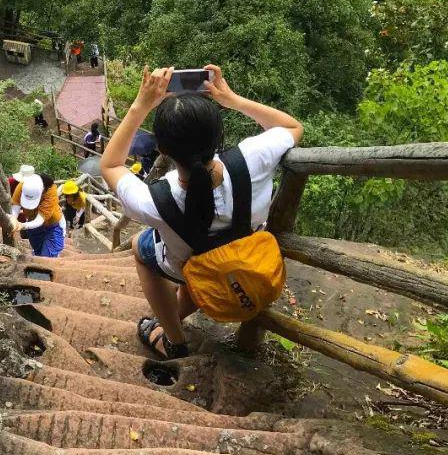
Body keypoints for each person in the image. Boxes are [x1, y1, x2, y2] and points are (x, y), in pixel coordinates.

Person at [100, 64, 302, 359]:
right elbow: (292, 127)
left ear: (163, 150)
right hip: (242, 256)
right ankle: (179, 312)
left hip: (189, 268)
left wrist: (140, 105)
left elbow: (110, 165)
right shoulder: (254, 159)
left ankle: (173, 339)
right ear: (218, 137)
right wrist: (232, 99)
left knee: (141, 248)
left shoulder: (154, 201)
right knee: (193, 255)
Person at [11, 173, 65, 257]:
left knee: (47, 257)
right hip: (33, 224)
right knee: (38, 253)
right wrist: (13, 219)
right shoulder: (22, 186)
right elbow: (16, 205)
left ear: (45, 189)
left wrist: (22, 225)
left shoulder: (51, 193)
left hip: (51, 225)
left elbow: (40, 220)